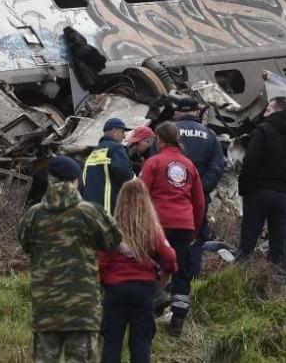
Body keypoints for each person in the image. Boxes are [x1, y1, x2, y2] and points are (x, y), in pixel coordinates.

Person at [19, 156, 122, 363]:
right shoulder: (91, 213)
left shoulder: (33, 215)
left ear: (50, 180)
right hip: (82, 310)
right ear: (76, 180)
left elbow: (26, 245)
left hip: (46, 310)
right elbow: (113, 241)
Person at [99, 179, 177, 363]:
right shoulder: (152, 230)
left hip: (115, 291)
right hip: (143, 291)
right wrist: (167, 273)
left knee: (111, 343)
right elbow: (170, 256)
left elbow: (100, 262)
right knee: (141, 343)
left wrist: (100, 284)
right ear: (145, 202)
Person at [139, 122, 205, 337]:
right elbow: (199, 202)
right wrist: (193, 228)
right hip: (184, 226)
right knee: (182, 273)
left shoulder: (153, 163)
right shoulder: (189, 165)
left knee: (149, 268)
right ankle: (177, 321)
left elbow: (140, 195)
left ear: (159, 139)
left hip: (157, 225)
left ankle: (148, 315)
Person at [238, 97, 286, 269]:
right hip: (283, 198)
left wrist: (244, 189)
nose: (264, 113)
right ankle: (275, 286)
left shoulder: (264, 130)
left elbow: (250, 161)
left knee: (248, 243)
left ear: (279, 111)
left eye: (268, 110)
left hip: (258, 193)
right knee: (278, 248)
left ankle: (238, 281)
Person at [170, 96, 225, 276]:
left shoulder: (166, 133)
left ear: (177, 112)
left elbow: (155, 162)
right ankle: (191, 277)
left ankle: (170, 278)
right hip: (198, 197)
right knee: (196, 236)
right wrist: (201, 188)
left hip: (170, 196)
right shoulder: (209, 135)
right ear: (196, 112)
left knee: (169, 234)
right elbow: (217, 165)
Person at [83, 118, 135, 214]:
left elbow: (84, 180)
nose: (124, 137)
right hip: (108, 210)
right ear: (114, 131)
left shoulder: (93, 153)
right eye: (122, 132)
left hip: (90, 210)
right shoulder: (116, 148)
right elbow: (125, 175)